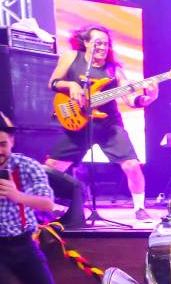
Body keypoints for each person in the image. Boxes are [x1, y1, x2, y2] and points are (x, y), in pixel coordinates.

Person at [0, 113, 78, 284]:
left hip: (23, 243)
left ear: (12, 141)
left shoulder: (26, 166)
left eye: (2, 144)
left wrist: (17, 195)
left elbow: (47, 203)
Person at [46, 24, 157, 221]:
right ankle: (47, 205)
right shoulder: (72, 57)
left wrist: (146, 99)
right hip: (78, 122)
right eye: (98, 43)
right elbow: (53, 83)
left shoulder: (114, 70)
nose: (103, 47)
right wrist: (71, 85)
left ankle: (140, 208)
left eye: (106, 44)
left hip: (109, 125)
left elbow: (129, 99)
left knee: (132, 165)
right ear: (86, 43)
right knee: (52, 167)